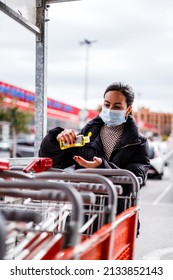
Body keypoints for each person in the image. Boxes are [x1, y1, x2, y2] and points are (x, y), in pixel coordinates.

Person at [39, 82, 150, 219]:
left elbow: (135, 181)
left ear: (128, 109)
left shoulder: (138, 142)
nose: (110, 110)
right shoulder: (88, 133)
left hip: (118, 218)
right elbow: (56, 162)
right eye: (107, 104)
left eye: (117, 106)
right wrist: (57, 138)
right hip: (84, 214)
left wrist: (101, 167)